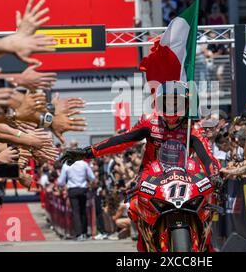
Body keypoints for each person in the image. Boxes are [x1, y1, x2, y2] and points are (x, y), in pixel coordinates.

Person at [60, 81, 222, 251]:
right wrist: (88, 152)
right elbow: (122, 140)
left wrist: (215, 174)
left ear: (186, 104)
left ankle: (206, 246)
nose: (171, 107)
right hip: (152, 175)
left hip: (185, 176)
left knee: (207, 206)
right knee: (136, 207)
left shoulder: (192, 127)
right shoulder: (150, 122)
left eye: (177, 102)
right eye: (166, 101)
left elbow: (207, 157)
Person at [58, 157, 95, 241]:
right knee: (83, 211)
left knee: (76, 212)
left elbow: (61, 181)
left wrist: (64, 185)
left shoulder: (66, 165)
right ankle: (84, 232)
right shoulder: (84, 164)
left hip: (73, 189)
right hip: (83, 189)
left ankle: (79, 234)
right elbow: (92, 177)